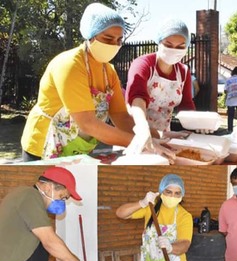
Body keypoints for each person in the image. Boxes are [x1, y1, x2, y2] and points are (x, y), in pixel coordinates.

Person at [20, 3, 146, 161]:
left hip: (76, 148)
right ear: (90, 35)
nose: (113, 45)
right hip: (43, 145)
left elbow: (121, 116)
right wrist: (140, 143)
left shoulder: (109, 72)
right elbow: (87, 123)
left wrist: (152, 136)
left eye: (118, 40)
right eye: (107, 39)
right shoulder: (70, 64)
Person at [125, 17, 196, 140]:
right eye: (168, 45)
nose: (174, 50)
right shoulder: (143, 64)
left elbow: (186, 105)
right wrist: (143, 129)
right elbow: (137, 97)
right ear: (158, 42)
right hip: (135, 133)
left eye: (180, 47)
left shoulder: (183, 72)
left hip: (165, 135)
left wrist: (198, 123)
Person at [116, 174, 193, 261]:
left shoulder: (184, 216)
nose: (172, 196)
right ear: (161, 192)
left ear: (182, 195)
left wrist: (171, 247)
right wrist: (142, 203)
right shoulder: (151, 208)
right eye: (169, 192)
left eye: (177, 193)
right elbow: (120, 213)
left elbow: (185, 244)